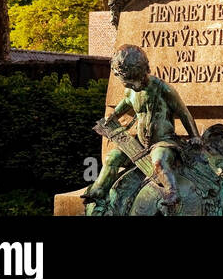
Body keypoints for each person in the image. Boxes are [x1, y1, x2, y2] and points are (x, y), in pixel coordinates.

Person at [85, 45, 200, 212]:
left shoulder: (163, 88)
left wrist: (195, 135)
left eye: (133, 83)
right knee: (112, 157)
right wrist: (114, 115)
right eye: (128, 85)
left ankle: (171, 192)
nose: (132, 87)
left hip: (163, 142)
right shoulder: (130, 91)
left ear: (142, 72)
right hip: (139, 143)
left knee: (159, 162)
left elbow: (184, 113)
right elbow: (125, 103)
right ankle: (98, 191)